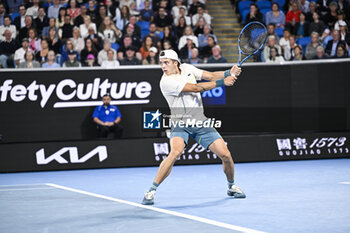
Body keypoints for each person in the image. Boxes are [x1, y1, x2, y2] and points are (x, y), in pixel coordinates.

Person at [142, 49, 245, 205]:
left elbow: (209, 76)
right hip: (179, 122)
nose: (163, 66)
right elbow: (196, 88)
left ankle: (231, 186)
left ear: (175, 63)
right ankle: (151, 191)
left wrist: (227, 72)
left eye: (166, 62)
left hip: (200, 121)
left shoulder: (188, 69)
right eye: (161, 63)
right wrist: (222, 82)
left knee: (226, 155)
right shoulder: (166, 81)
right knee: (175, 153)